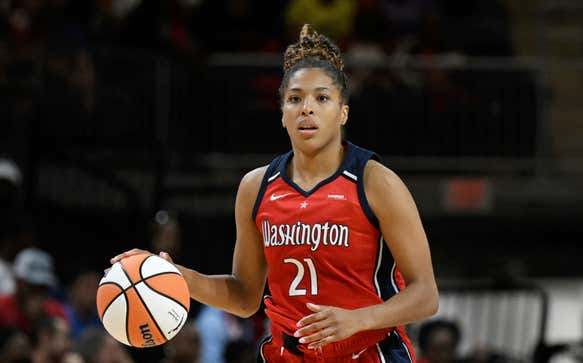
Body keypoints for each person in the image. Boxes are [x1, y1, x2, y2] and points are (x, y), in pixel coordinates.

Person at [110, 23, 439, 362]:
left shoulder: (375, 181)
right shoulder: (256, 187)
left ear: (343, 112)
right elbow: (244, 297)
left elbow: (426, 295)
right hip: (288, 354)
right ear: (282, 113)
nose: (306, 108)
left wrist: (359, 319)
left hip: (369, 352)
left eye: (322, 98)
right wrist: (178, 278)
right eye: (295, 98)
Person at [0, 248, 68, 334]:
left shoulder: (55, 312)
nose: (37, 293)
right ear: (17, 281)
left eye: (42, 287)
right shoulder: (2, 308)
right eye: (32, 286)